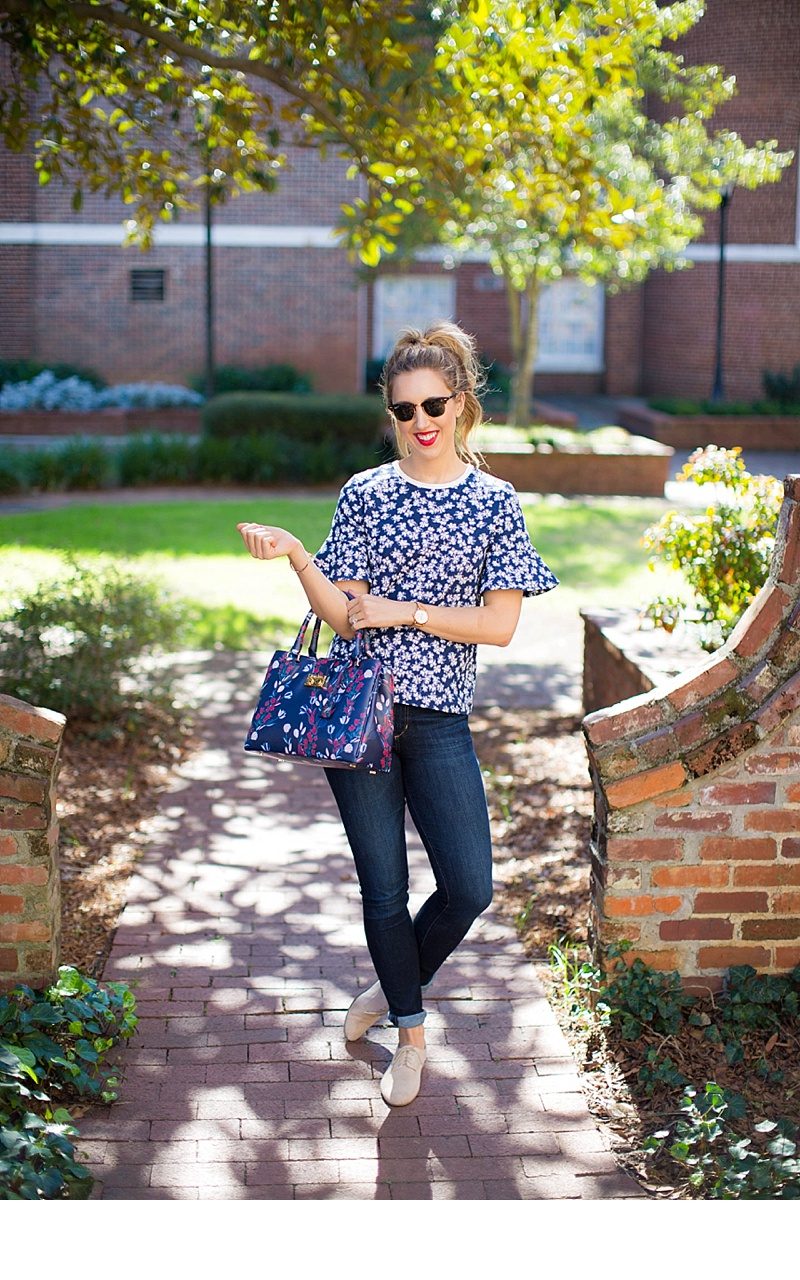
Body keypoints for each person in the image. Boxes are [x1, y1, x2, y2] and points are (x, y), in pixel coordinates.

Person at [237, 320, 558, 1107]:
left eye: (435, 405)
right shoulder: (365, 494)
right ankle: (409, 1033)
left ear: (462, 404)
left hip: (441, 720)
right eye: (405, 409)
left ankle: (391, 983)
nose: (421, 423)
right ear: (389, 411)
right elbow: (347, 617)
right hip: (360, 720)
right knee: (382, 889)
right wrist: (299, 558)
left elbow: (499, 625)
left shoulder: (494, 503)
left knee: (470, 887)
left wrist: (408, 611)